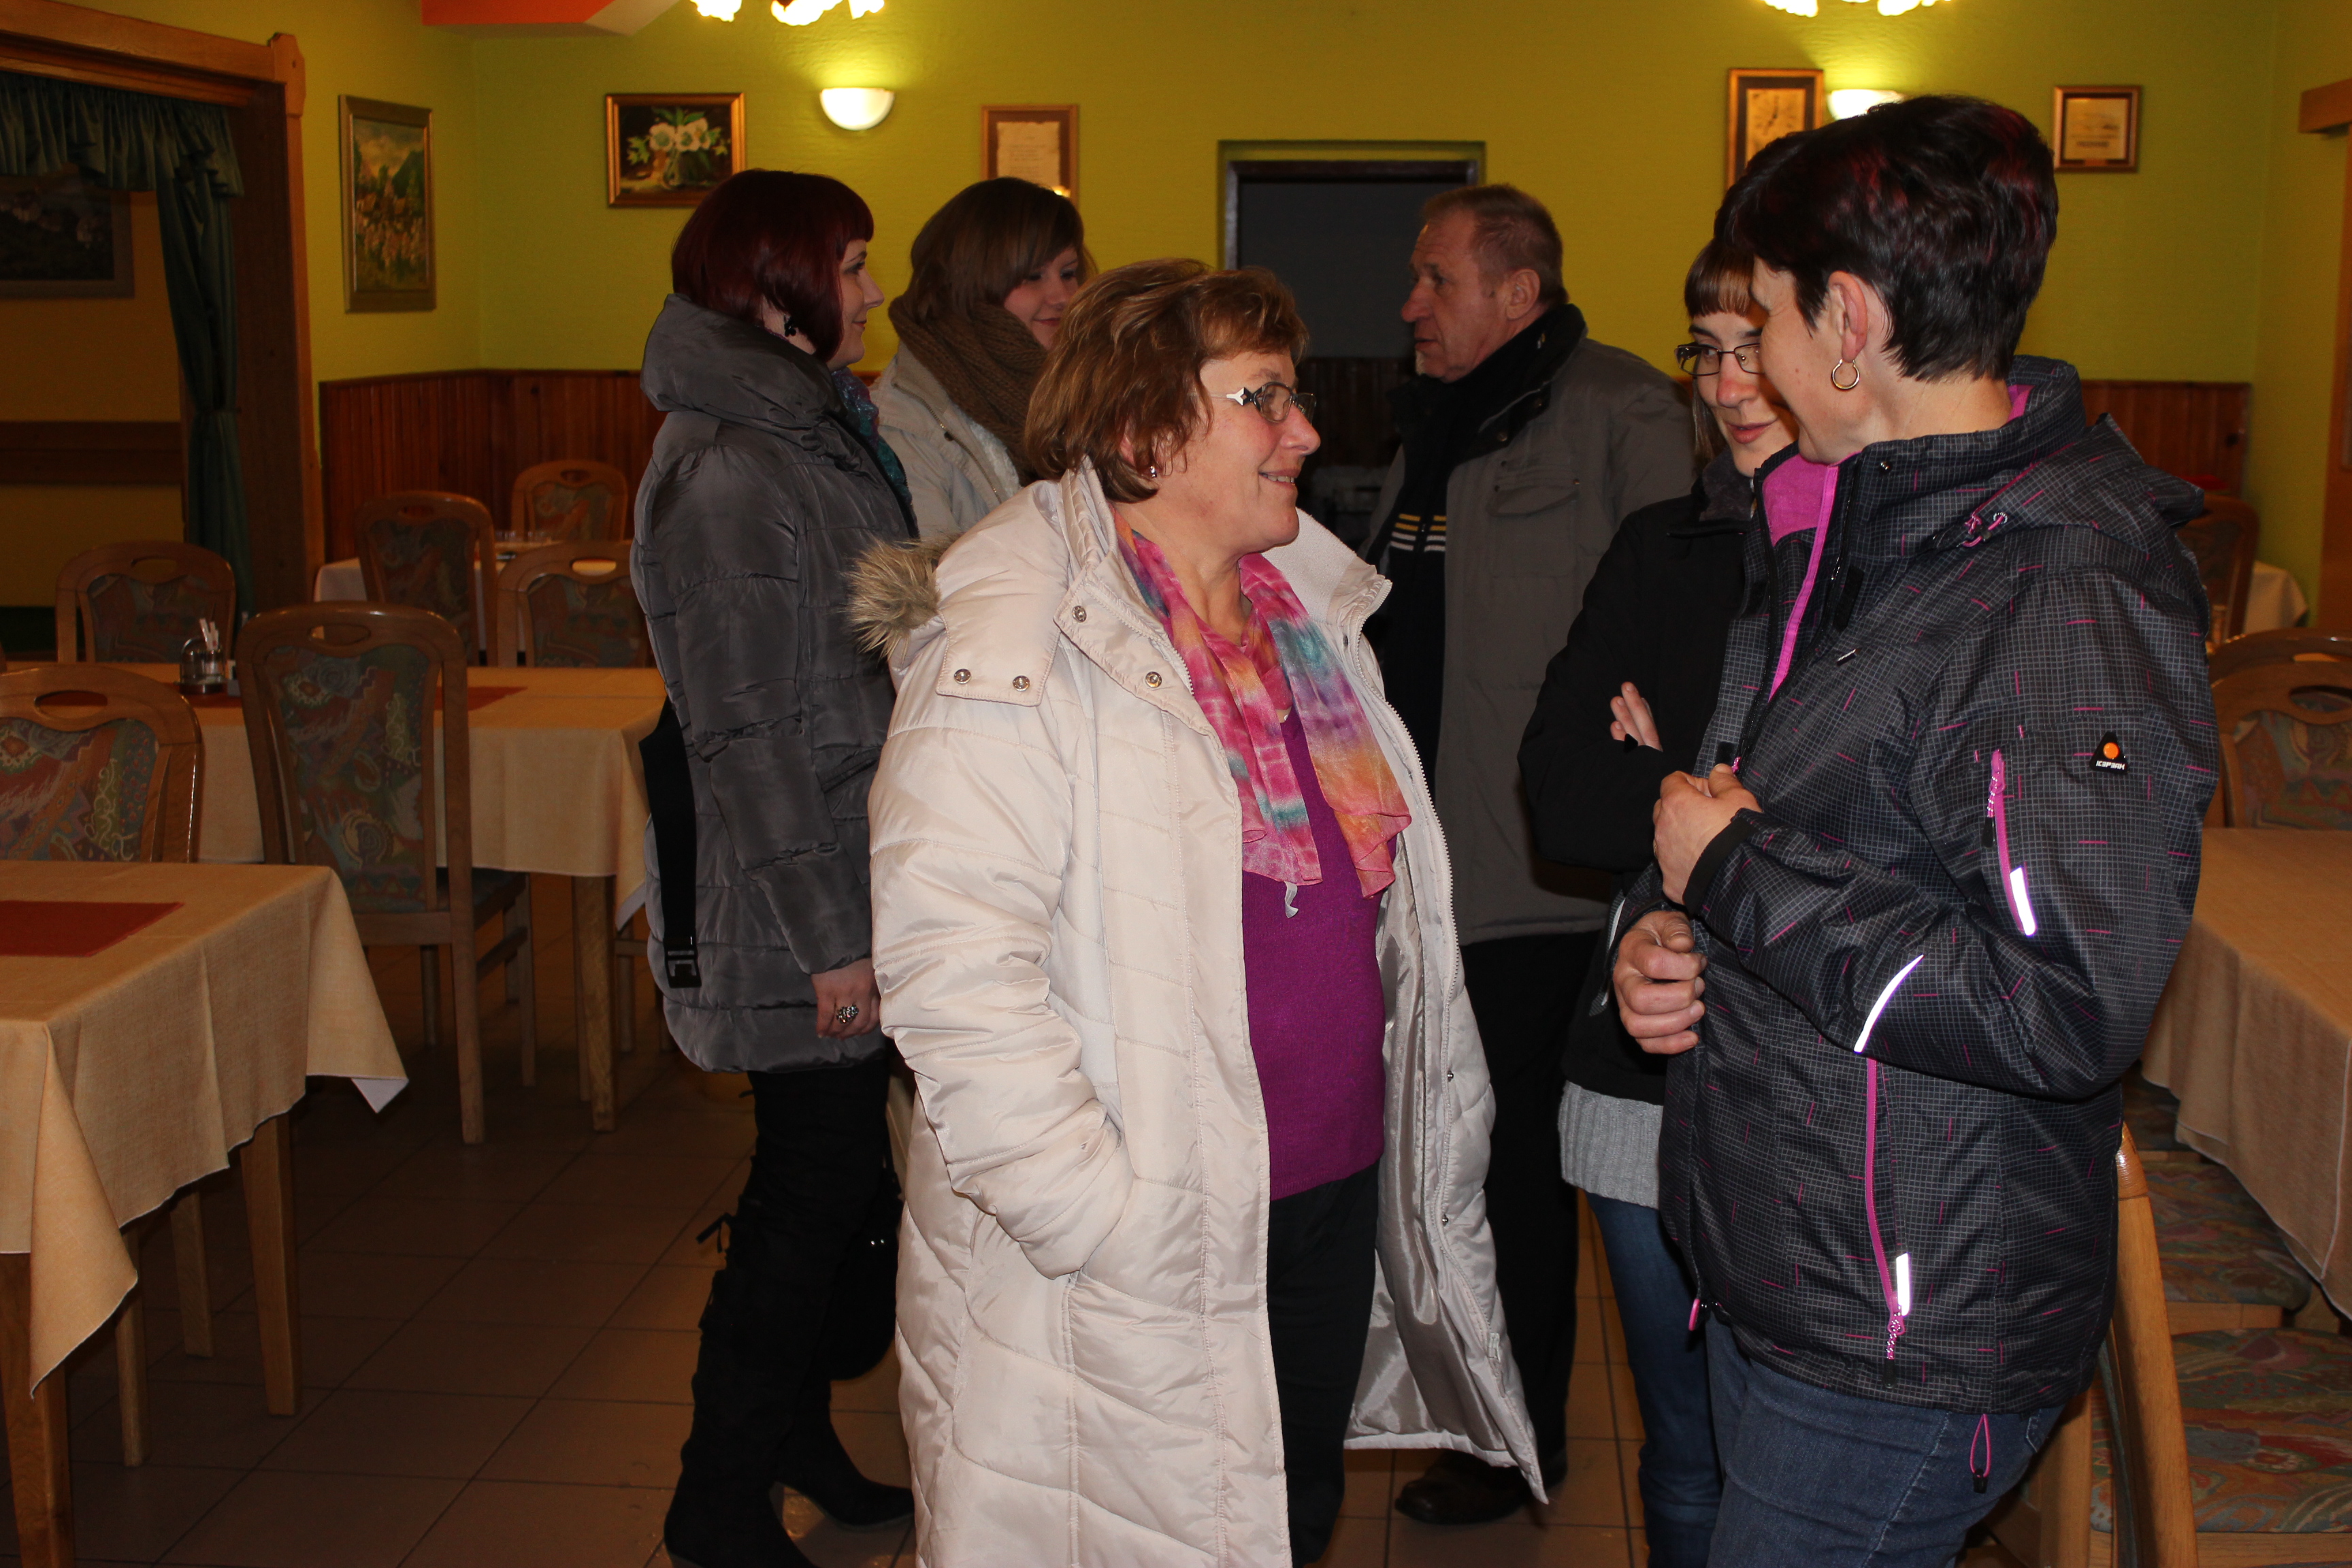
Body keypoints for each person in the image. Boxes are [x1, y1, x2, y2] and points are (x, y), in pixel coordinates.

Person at [855, 259, 1539, 1567]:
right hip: (1146, 1218)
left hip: (1323, 1176)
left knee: (1286, 1516)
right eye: (1263, 398)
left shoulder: (1310, 620)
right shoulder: (1016, 642)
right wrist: (1095, 1216)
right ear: (1143, 431)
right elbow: (952, 973)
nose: (1307, 431)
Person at [1612, 97, 2216, 1566]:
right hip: (1787, 1258)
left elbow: (2064, 999)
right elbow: (1789, 820)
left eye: (1764, 321)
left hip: (1907, 1324)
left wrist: (1735, 874)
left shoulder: (2067, 587)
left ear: (1849, 323)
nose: (1745, 364)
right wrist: (1670, 926)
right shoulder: (1844, 525)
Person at [1365, 180, 1695, 1523]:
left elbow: (1678, 623)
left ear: (1519, 291)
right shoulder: (1437, 429)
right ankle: (1496, 1418)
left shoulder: (1620, 409)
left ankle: (1518, 1444)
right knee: (1462, 1160)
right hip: (1434, 858)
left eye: (1437, 278)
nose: (1411, 304)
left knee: (1519, 1174)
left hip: (1548, 879)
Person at [630, 168, 917, 1568]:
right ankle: (716, 1499)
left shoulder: (807, 425)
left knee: (837, 1189)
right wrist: (828, 940)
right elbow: (739, 727)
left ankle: (793, 1436)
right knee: (808, 1201)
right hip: (791, 900)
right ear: (774, 288)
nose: (871, 290)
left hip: (849, 867)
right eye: (850, 265)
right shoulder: (730, 465)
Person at [1517, 238, 1801, 1568]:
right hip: (1644, 1076)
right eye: (1708, 352)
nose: (1730, 386)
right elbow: (1557, 793)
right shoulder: (1663, 546)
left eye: (1757, 350)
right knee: (1686, 1453)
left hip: (1815, 1082)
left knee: (1794, 1464)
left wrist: (1666, 775)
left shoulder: (1887, 562)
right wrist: (1693, 790)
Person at [873, 176, 1090, 539]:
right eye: (1032, 276)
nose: (1062, 296)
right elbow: (929, 571)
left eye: (1068, 274)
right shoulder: (904, 422)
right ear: (971, 285)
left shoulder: (1082, 391)